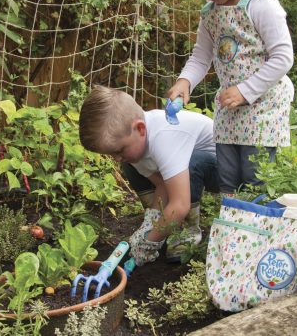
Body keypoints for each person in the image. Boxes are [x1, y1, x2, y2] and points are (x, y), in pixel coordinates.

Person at [168, 0, 295, 195]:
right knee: (227, 175)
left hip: (263, 106)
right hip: (229, 106)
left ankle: (256, 227)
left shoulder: (261, 5)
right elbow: (201, 57)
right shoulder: (210, 14)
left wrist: (246, 91)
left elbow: (283, 57)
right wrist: (185, 81)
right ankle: (231, 228)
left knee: (255, 175)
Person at [79, 85, 219, 266]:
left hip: (221, 169)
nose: (116, 157)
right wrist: (151, 222)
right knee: (129, 163)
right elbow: (162, 185)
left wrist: (149, 242)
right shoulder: (136, 141)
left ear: (140, 129)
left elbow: (180, 204)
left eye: (119, 150)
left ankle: (186, 231)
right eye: (111, 154)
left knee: (191, 163)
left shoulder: (164, 137)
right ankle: (163, 224)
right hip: (187, 169)